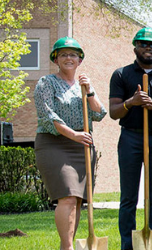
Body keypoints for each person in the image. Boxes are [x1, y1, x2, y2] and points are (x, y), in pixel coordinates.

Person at [33, 37, 106, 250]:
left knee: (76, 200)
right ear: (55, 58)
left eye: (73, 54)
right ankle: (67, 247)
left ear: (80, 60)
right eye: (63, 54)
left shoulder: (83, 85)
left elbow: (100, 113)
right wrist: (73, 134)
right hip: (54, 144)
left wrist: (89, 90)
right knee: (67, 195)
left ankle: (67, 244)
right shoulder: (46, 83)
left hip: (81, 146)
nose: (68, 58)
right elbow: (48, 116)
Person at [108, 27, 152, 250]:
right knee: (129, 196)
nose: (148, 48)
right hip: (130, 138)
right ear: (135, 46)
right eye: (144, 44)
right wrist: (132, 102)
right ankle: (128, 244)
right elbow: (114, 111)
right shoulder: (121, 74)